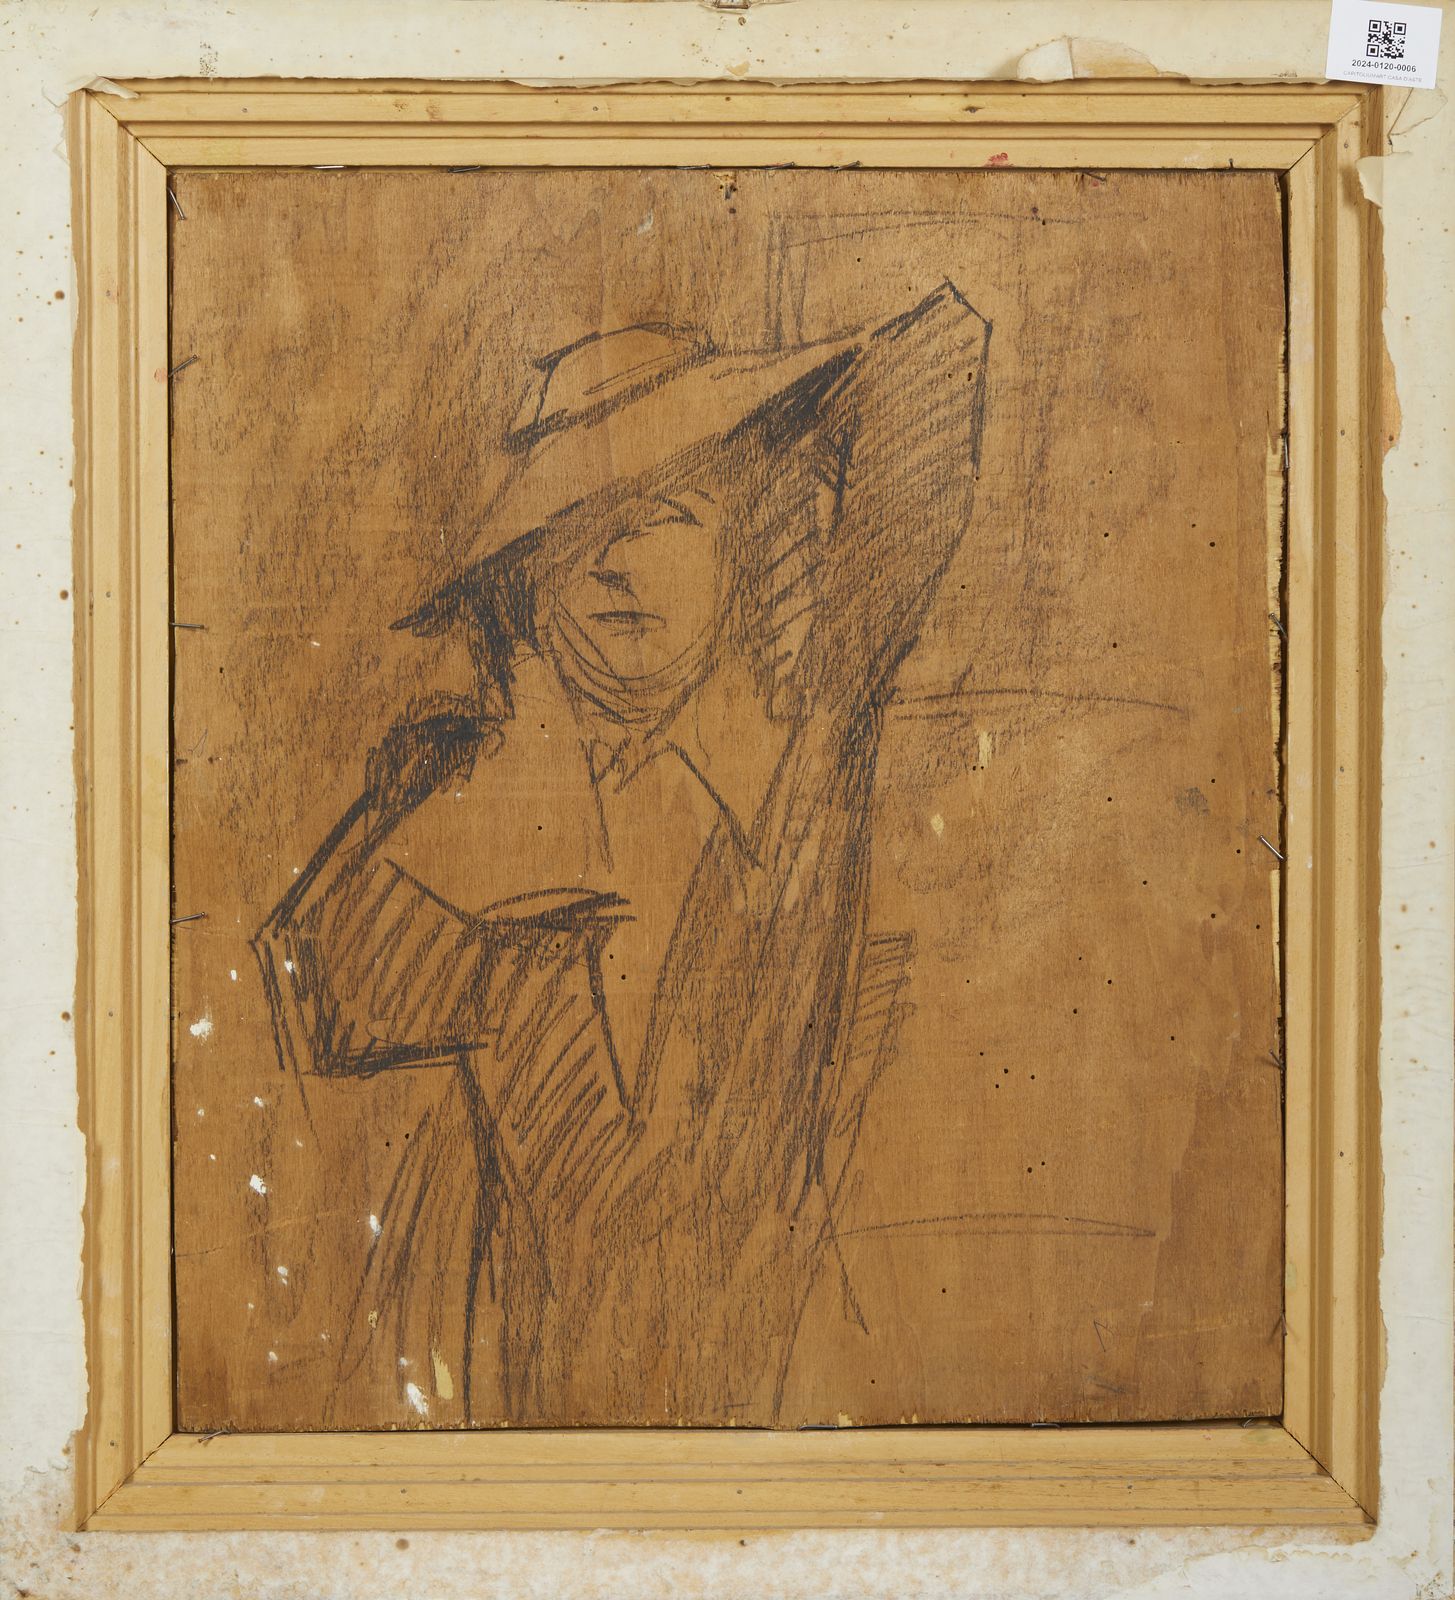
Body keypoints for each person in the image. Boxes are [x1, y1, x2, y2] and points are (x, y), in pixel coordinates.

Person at [256, 282, 991, 1424]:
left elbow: (938, 373)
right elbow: (324, 996)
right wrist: (518, 740)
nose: (614, 563)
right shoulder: (463, 795)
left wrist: (786, 395)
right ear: (530, 578)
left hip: (784, 1391)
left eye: (665, 516)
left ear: (745, 541)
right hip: (530, 1403)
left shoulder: (794, 759)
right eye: (578, 528)